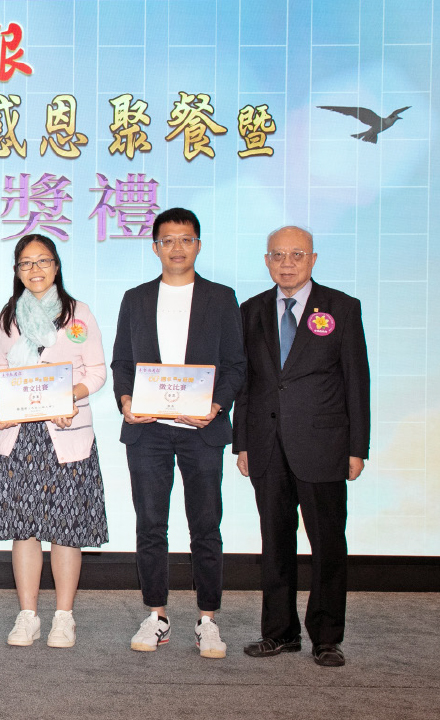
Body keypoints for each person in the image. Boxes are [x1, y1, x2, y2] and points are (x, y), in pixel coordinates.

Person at [111, 207, 245, 659]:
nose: (177, 248)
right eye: (167, 240)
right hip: (148, 431)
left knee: (206, 526)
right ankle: (157, 615)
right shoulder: (136, 298)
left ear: (198, 245)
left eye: (186, 239)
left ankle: (208, 620)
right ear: (155, 248)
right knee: (151, 525)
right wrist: (126, 400)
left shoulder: (221, 298)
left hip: (200, 431)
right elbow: (122, 362)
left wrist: (216, 405)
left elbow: (236, 365)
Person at [234, 226, 369, 668]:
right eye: (278, 255)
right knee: (274, 542)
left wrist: (357, 447)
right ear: (266, 261)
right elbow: (247, 383)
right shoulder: (251, 310)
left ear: (313, 259)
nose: (287, 263)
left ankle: (327, 638)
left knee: (327, 544)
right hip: (266, 444)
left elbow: (357, 381)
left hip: (324, 445)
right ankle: (279, 632)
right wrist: (242, 442)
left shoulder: (342, 308)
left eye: (296, 254)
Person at [0, 234, 108, 648]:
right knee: (23, 528)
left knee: (66, 527)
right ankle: (28, 615)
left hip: (65, 433)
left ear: (56, 266)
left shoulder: (77, 313)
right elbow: (0, 371)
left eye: (43, 261)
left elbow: (96, 371)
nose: (35, 269)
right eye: (26, 263)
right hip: (20, 436)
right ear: (17, 271)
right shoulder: (7, 317)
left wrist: (68, 396)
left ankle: (64, 617)